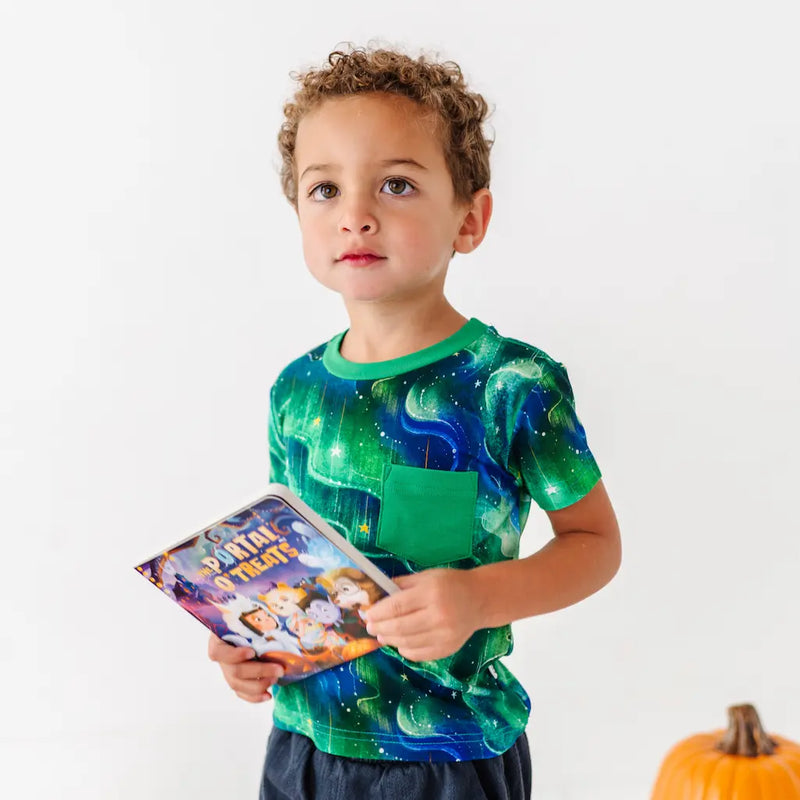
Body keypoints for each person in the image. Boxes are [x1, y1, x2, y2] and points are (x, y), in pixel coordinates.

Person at [208, 46, 621, 800]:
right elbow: (291, 564)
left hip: (447, 756)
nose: (355, 215)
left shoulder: (510, 385)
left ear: (470, 219)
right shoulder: (296, 391)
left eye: (396, 184)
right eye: (325, 189)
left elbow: (595, 544)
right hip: (302, 748)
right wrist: (251, 643)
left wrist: (479, 598)